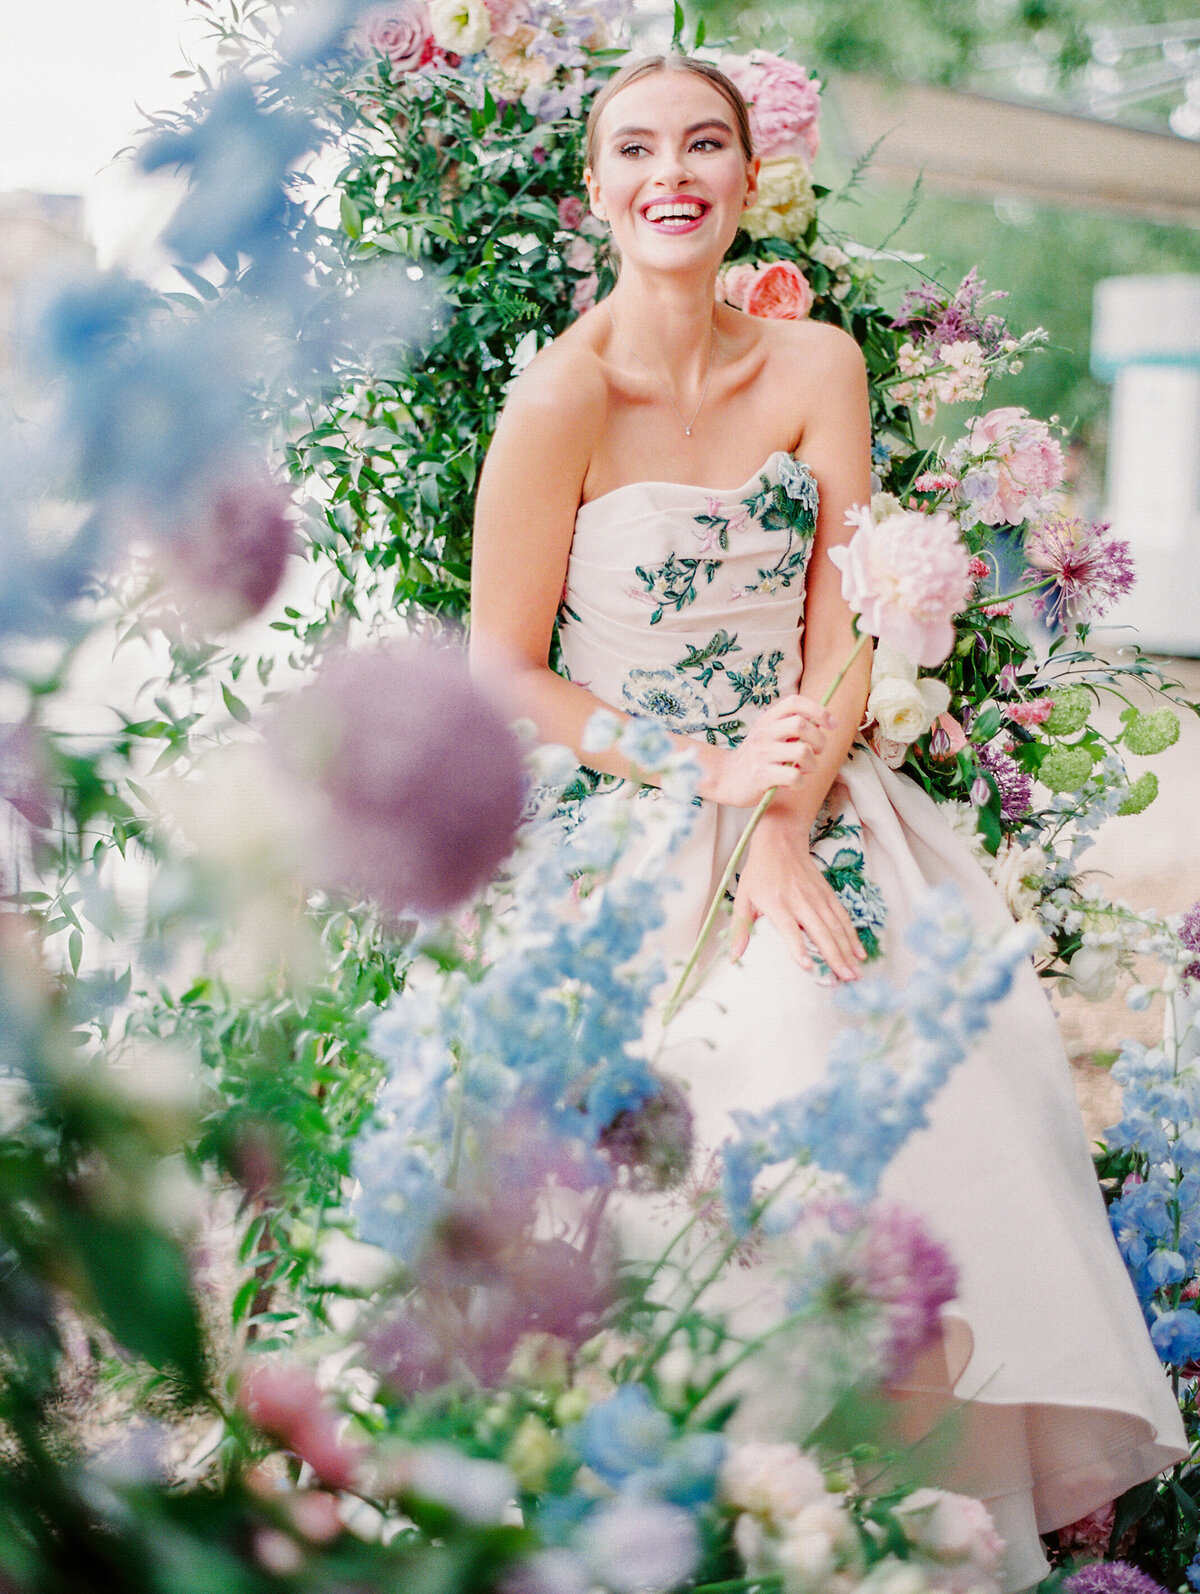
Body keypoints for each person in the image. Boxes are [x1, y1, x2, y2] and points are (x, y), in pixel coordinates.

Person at [469, 53, 1187, 1591]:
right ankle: (720, 1514)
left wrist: (785, 815)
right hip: (636, 803)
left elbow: (851, 618)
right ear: (597, 187)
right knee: (764, 1065)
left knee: (949, 1044)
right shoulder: (562, 395)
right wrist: (699, 772)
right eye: (639, 148)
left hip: (814, 790)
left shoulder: (818, 368)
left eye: (706, 144)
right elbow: (502, 672)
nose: (674, 173)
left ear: (746, 178)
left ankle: (917, 1533)